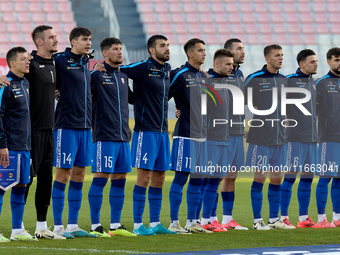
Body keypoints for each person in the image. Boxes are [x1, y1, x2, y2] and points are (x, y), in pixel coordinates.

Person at [119, 35, 176, 236]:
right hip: (145, 131)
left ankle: (155, 223)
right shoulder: (143, 67)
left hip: (162, 132)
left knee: (160, 177)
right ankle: (137, 225)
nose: (167, 48)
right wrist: (132, 97)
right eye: (162, 46)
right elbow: (119, 71)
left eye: (168, 45)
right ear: (152, 50)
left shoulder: (167, 69)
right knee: (144, 177)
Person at [88, 37, 136, 237]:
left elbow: (135, 99)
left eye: (121, 48)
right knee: (100, 178)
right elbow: (83, 97)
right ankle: (95, 225)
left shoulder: (123, 76)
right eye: (115, 49)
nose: (120, 52)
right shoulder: (96, 75)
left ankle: (115, 225)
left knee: (120, 179)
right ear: (105, 53)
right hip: (104, 136)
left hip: (123, 136)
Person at [51, 26, 96, 238]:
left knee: (80, 174)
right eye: (84, 39)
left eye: (90, 39)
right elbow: (39, 70)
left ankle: (72, 225)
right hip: (66, 126)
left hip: (86, 127)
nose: (88, 43)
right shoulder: (60, 60)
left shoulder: (86, 62)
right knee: (63, 173)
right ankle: (57, 226)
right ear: (73, 42)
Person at [244, 44, 294, 230]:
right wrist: (251, 105)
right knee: (259, 177)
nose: (281, 58)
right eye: (276, 55)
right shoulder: (254, 78)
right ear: (267, 59)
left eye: (282, 54)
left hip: (280, 137)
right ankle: (257, 221)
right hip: (261, 137)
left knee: (277, 178)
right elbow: (237, 98)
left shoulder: (284, 79)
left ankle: (274, 220)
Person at [168, 38, 212, 234]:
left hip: (203, 136)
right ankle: (174, 223)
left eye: (205, 50)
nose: (204, 53)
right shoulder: (179, 74)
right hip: (185, 134)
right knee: (181, 177)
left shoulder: (205, 77)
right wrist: (178, 109)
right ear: (190, 54)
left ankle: (193, 222)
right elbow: (162, 96)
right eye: (200, 50)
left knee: (199, 179)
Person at [280, 49, 322, 229]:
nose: (316, 64)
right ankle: (282, 218)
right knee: (289, 177)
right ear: (302, 64)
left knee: (307, 177)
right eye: (312, 62)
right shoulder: (289, 80)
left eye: (316, 61)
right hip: (294, 137)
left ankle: (303, 218)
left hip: (312, 138)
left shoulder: (313, 83)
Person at [0, 47, 37, 242]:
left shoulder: (27, 83)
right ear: (12, 63)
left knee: (22, 186)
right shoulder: (4, 85)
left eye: (28, 59)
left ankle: (17, 230)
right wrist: (1, 145)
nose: (28, 62)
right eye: (23, 59)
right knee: (0, 188)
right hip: (9, 148)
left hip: (25, 148)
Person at [199, 49, 236, 232]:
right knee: (207, 180)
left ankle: (211, 219)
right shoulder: (206, 81)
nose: (232, 67)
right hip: (210, 140)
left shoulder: (226, 83)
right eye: (228, 64)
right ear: (217, 64)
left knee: (216, 180)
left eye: (232, 64)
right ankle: (202, 220)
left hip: (224, 138)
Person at [219, 38, 248, 230]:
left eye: (243, 48)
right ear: (228, 52)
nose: (243, 52)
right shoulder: (218, 74)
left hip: (238, 131)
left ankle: (227, 219)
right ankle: (208, 219)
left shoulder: (240, 74)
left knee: (232, 176)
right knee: (216, 176)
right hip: (222, 133)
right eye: (239, 49)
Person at [315, 47, 340, 228]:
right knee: (325, 177)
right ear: (329, 62)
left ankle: (337, 218)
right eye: (337, 59)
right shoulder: (321, 83)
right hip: (328, 138)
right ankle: (321, 218)